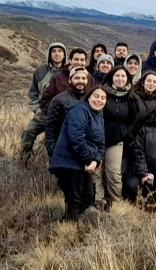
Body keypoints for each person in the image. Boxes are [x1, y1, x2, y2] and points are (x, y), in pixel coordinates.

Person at [48, 86, 106, 221]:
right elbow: (77, 138)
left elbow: (101, 143)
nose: (99, 100)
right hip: (69, 162)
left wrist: (95, 161)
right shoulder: (79, 111)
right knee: (74, 199)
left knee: (88, 198)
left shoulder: (99, 115)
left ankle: (69, 223)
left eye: (103, 98)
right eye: (96, 96)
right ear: (89, 97)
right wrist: (87, 161)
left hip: (84, 163)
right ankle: (69, 231)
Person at [19, 42, 67, 161]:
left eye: (60, 51)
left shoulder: (68, 71)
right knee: (28, 132)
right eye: (54, 51)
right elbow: (32, 92)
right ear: (50, 54)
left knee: (58, 141)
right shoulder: (40, 71)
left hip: (62, 115)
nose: (57, 54)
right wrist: (37, 110)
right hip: (43, 113)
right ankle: (23, 160)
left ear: (64, 54)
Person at [95, 67, 135, 210]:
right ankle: (98, 201)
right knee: (96, 171)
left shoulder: (130, 97)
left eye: (123, 76)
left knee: (114, 173)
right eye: (117, 75)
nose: (120, 78)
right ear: (111, 77)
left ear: (128, 79)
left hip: (116, 140)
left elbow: (133, 119)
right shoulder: (102, 93)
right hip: (98, 138)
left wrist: (125, 133)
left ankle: (115, 201)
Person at [45, 67, 92, 158]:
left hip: (84, 150)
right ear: (70, 80)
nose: (80, 81)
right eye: (77, 78)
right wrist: (51, 150)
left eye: (83, 78)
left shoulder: (91, 99)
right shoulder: (59, 99)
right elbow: (51, 126)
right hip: (62, 149)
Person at [40, 49, 94, 114]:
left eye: (82, 60)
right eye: (76, 59)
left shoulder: (90, 78)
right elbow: (45, 101)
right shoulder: (57, 78)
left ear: (85, 62)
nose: (79, 62)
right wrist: (56, 115)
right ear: (70, 61)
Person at [130, 71, 156, 139]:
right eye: (149, 81)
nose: (151, 84)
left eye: (154, 82)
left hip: (148, 137)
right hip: (131, 135)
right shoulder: (132, 96)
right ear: (143, 83)